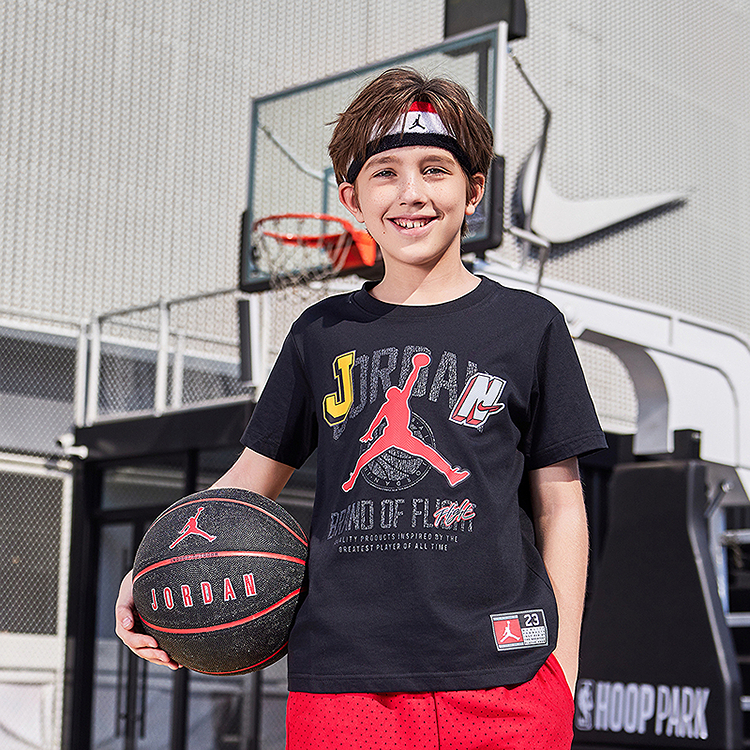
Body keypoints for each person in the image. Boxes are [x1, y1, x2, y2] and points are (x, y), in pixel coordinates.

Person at [116, 67, 607, 749]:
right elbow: (245, 485)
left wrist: (563, 668)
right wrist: (152, 566)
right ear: (352, 198)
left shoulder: (529, 327)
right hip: (345, 688)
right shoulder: (321, 334)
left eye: (435, 170)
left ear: (474, 190)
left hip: (508, 682)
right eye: (386, 173)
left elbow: (561, 509)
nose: (412, 193)